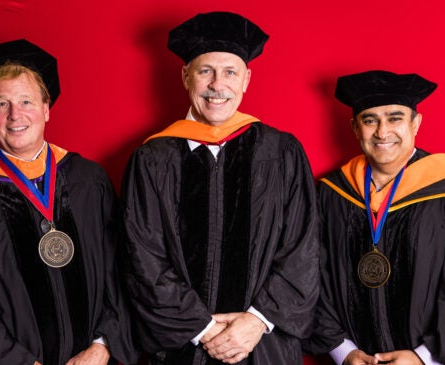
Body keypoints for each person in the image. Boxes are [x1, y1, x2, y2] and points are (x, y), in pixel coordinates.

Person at [120, 11, 319, 365]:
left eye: (230, 72)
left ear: (247, 80)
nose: (218, 85)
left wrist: (256, 321)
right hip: (183, 347)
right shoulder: (152, 158)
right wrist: (204, 329)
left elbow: (302, 249)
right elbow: (142, 256)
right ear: (185, 77)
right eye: (205, 71)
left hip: (263, 348)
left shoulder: (281, 152)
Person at [0, 39, 137, 365]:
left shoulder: (88, 180)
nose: (15, 115)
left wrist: (102, 345)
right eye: (1, 104)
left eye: (26, 101)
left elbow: (122, 267)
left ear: (46, 108)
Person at [302, 70, 445, 364]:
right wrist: (343, 351)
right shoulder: (332, 194)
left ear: (416, 123)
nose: (382, 132)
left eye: (395, 118)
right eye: (370, 120)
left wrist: (422, 358)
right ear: (354, 127)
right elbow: (308, 275)